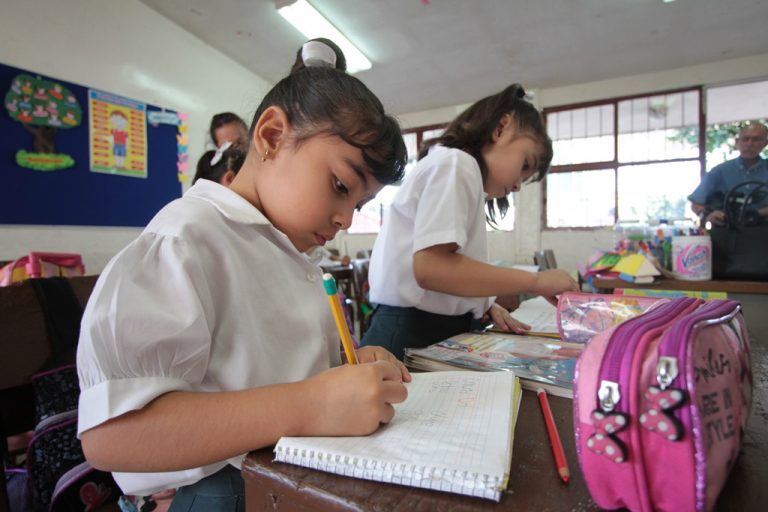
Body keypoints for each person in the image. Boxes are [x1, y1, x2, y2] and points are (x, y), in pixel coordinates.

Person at [76, 46, 410, 511]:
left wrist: (343, 369)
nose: (346, 220)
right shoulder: (186, 240)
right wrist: (310, 403)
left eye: (358, 205)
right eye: (340, 186)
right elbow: (113, 434)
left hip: (287, 475)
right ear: (272, 136)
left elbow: (264, 372)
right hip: (217, 492)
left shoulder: (284, 252)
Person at [361, 84, 579, 360]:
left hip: (424, 326)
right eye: (524, 166)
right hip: (409, 331)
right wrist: (536, 281)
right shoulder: (456, 163)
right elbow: (432, 268)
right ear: (501, 128)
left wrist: (481, 304)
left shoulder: (458, 170)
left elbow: (447, 269)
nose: (517, 186)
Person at [688, 122, 768, 226]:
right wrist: (707, 214)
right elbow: (696, 203)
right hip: (726, 231)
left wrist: (756, 214)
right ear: (737, 142)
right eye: (745, 139)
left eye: (756, 139)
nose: (749, 143)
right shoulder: (720, 171)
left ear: (765, 143)